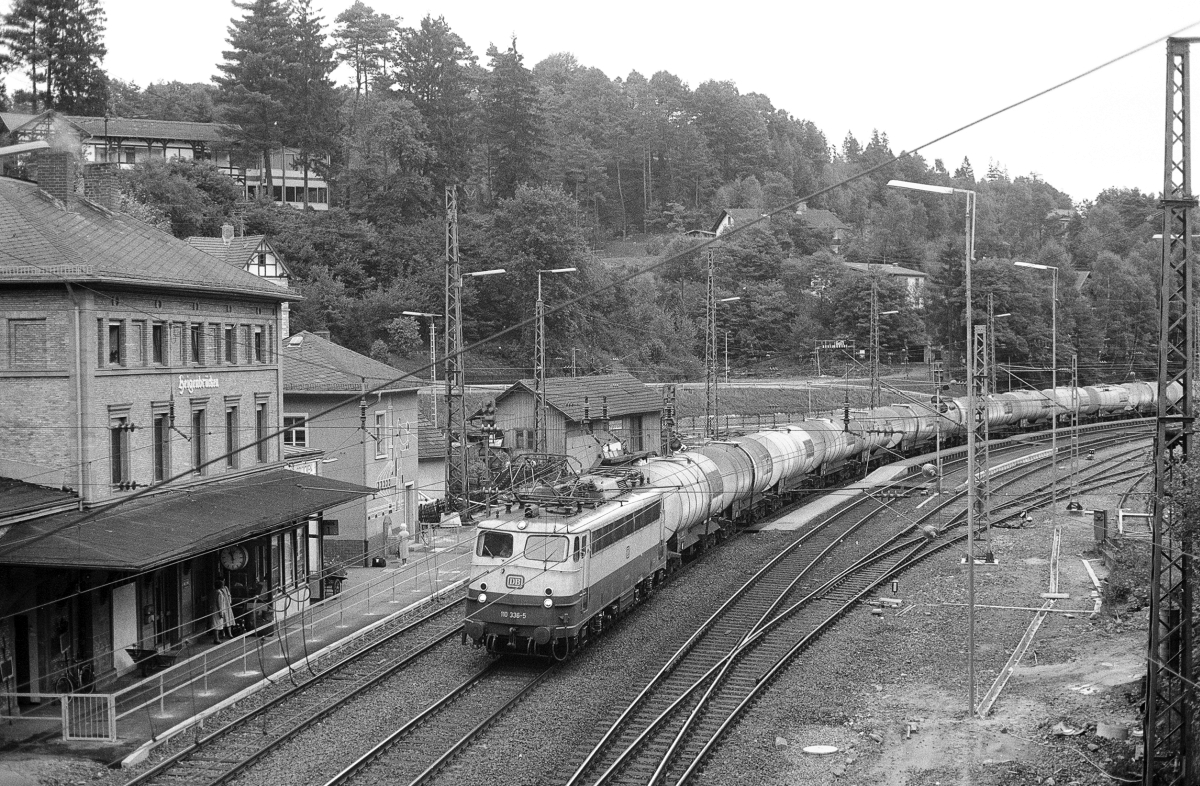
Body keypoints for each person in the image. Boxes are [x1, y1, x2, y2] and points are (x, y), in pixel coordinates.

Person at [212, 580, 233, 645]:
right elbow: (220, 604)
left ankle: (216, 638)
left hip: (214, 610)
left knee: (216, 624)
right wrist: (221, 613)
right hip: (218, 611)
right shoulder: (220, 593)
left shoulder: (215, 592)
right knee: (217, 625)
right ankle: (216, 639)